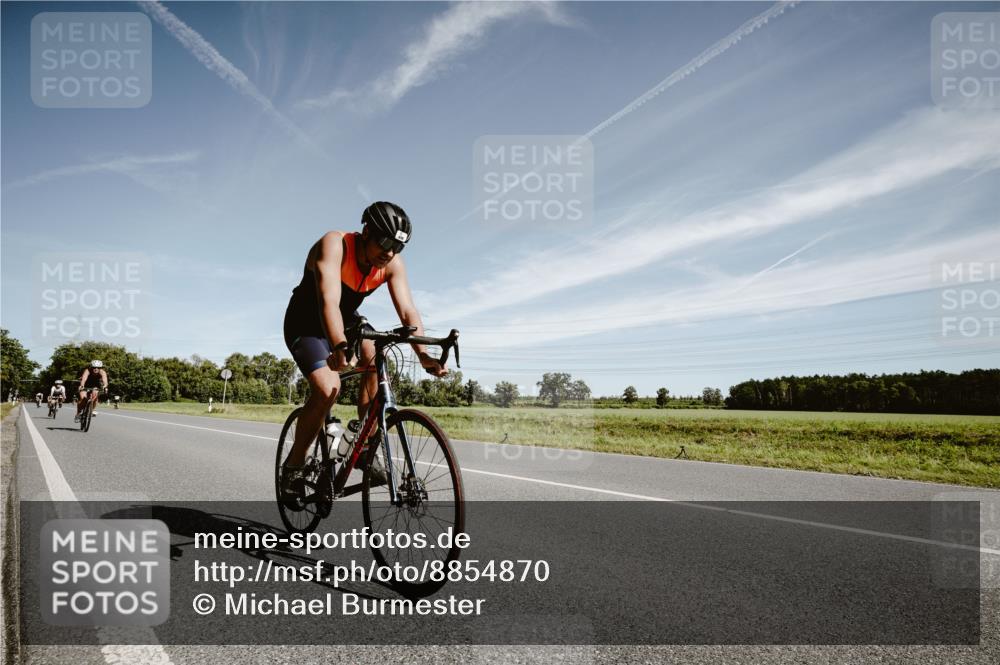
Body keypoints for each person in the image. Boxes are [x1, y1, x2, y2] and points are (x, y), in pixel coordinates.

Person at [280, 202, 447, 499]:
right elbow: (328, 302)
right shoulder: (334, 245)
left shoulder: (391, 263)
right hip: (306, 321)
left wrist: (423, 356)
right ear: (366, 232)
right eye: (384, 242)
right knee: (328, 389)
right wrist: (339, 346)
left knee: (375, 356)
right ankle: (294, 466)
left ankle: (362, 445)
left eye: (398, 246)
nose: (390, 252)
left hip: (346, 321)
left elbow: (408, 312)